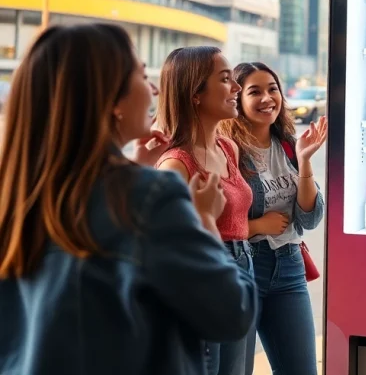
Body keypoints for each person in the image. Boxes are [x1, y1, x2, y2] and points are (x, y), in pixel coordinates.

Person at [0, 24, 257, 375]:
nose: (153, 90)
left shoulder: (17, 195)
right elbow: (232, 313)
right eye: (141, 76)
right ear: (113, 100)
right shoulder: (150, 195)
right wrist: (207, 222)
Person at [220, 62, 327, 375]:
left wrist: (305, 161)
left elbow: (310, 218)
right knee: (236, 370)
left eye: (272, 89)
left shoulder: (289, 145)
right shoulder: (228, 151)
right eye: (255, 91)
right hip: (244, 267)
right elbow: (211, 223)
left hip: (290, 266)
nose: (267, 98)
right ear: (237, 98)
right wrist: (257, 226)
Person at [156, 46, 254, 375]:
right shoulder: (175, 165)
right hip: (204, 276)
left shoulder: (229, 148)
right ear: (195, 94)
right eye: (225, 79)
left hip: (243, 267)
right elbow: (168, 251)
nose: (236, 87)